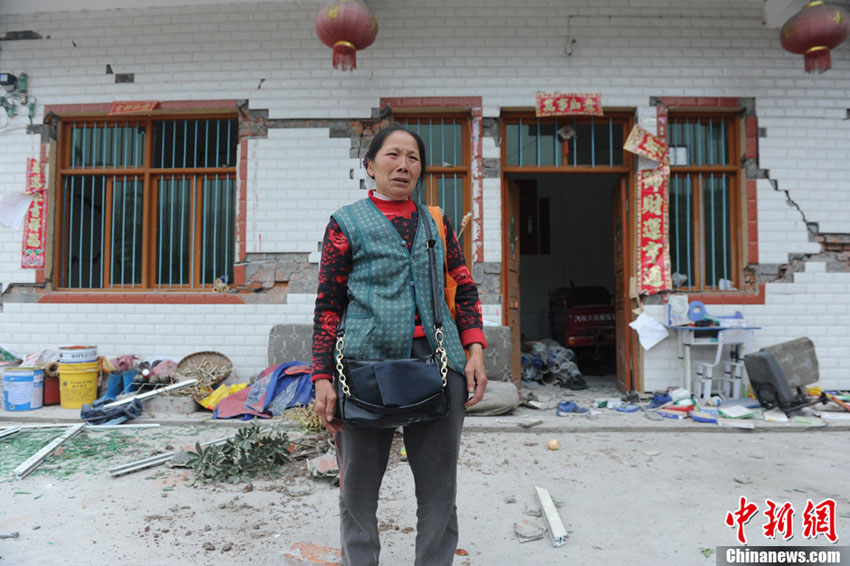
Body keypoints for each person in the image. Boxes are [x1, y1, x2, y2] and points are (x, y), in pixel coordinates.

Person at [311, 123, 488, 566]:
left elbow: (463, 288)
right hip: (365, 371)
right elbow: (328, 306)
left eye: (412, 157)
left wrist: (475, 350)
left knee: (439, 487)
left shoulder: (436, 222)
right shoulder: (344, 224)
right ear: (370, 165)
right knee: (357, 490)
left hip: (438, 365)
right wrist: (321, 376)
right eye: (393, 155)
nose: (403, 165)